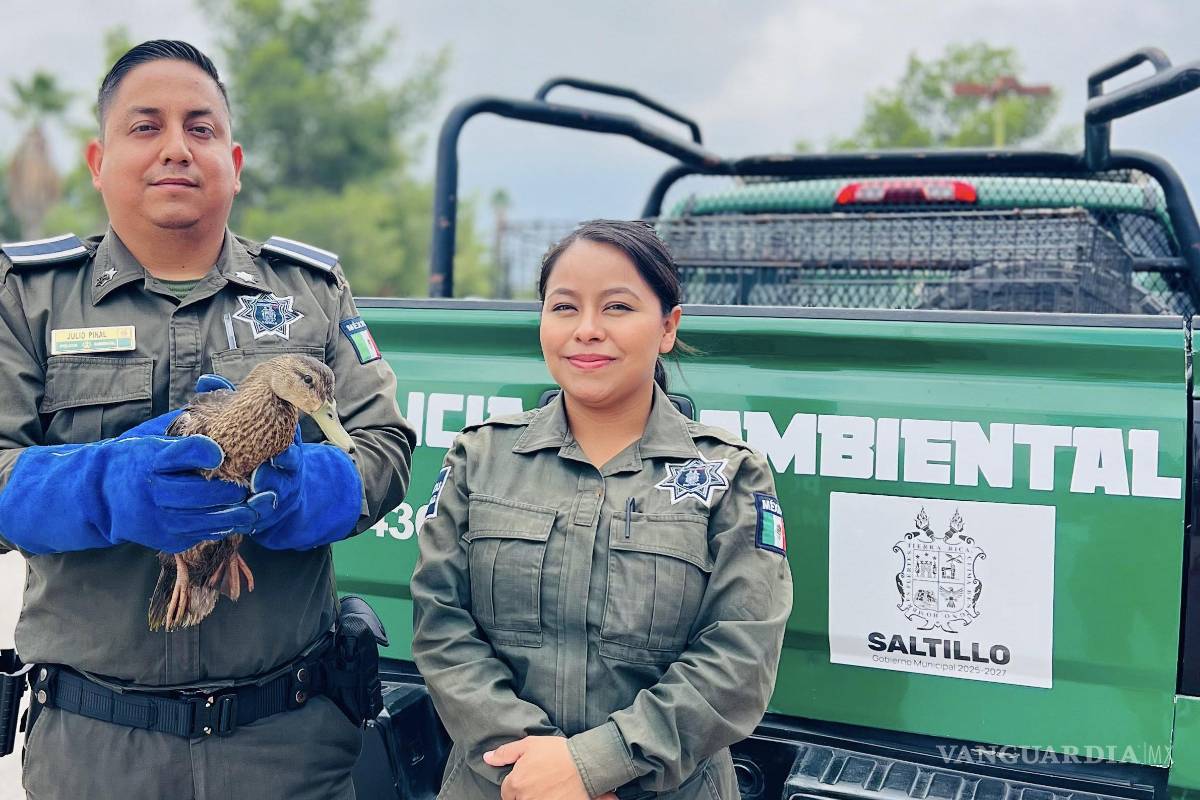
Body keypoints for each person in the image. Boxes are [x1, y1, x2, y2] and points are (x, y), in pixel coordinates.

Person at [0, 40, 414, 799]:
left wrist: (298, 493)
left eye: (200, 127)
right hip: (96, 751)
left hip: (288, 745)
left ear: (235, 157)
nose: (175, 150)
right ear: (98, 160)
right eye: (145, 127)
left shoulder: (310, 290)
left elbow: (384, 450)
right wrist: (104, 488)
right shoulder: (27, 297)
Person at [411, 219, 792, 799]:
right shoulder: (479, 458)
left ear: (668, 327)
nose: (587, 331)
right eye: (564, 308)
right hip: (501, 785)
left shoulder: (731, 475)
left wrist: (593, 767)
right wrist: (536, 772)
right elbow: (441, 627)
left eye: (617, 307)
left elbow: (738, 658)